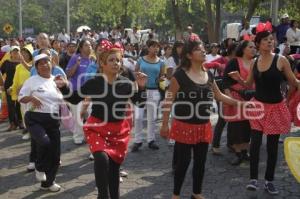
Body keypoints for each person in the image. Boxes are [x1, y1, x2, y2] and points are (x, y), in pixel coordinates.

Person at [160, 41, 248, 199]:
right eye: (198, 50)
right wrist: (164, 125)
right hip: (183, 125)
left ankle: (197, 193)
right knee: (183, 163)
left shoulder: (209, 75)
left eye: (202, 49)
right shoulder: (179, 75)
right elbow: (168, 100)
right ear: (188, 55)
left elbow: (219, 96)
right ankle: (176, 195)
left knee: (201, 163)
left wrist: (240, 103)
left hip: (203, 125)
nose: (203, 51)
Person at [55, 46, 147, 199]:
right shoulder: (94, 82)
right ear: (102, 64)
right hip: (97, 128)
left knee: (114, 169)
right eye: (111, 60)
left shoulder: (126, 83)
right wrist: (64, 87)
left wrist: (142, 87)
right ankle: (102, 195)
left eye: (118, 60)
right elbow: (74, 98)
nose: (115, 63)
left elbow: (141, 103)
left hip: (119, 131)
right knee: (101, 158)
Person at [229, 30, 300, 194]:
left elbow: (294, 81)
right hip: (258, 108)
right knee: (255, 144)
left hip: (276, 108)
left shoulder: (281, 60)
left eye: (271, 40)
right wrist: (238, 78)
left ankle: (269, 180)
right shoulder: (255, 61)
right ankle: (253, 179)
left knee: (272, 147)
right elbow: (248, 85)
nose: (270, 42)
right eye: (266, 40)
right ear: (259, 43)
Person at [19, 53, 63, 192]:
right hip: (35, 118)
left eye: (47, 62)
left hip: (53, 120)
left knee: (55, 155)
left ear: (51, 64)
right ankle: (39, 167)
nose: (45, 65)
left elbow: (65, 98)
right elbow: (21, 97)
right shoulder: (32, 80)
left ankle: (48, 183)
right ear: (37, 68)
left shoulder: (57, 80)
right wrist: (31, 98)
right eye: (41, 63)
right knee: (44, 143)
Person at [222, 40, 256, 165]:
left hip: (251, 98)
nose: (253, 49)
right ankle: (237, 152)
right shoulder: (234, 62)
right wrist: (229, 97)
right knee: (236, 127)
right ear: (243, 49)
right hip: (236, 97)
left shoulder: (256, 62)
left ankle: (245, 151)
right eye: (250, 47)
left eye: (254, 47)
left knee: (249, 125)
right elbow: (225, 80)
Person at [132, 40, 165, 152]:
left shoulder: (161, 62)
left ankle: (151, 140)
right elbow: (134, 73)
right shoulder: (141, 60)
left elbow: (162, 76)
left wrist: (161, 79)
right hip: (141, 91)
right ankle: (137, 140)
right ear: (148, 47)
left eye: (158, 47)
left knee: (152, 118)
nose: (156, 49)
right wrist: (138, 77)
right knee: (138, 117)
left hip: (154, 91)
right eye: (153, 47)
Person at [66, 39, 93, 144]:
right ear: (81, 48)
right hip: (76, 92)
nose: (89, 47)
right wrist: (77, 64)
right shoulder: (75, 58)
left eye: (90, 45)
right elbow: (68, 74)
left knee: (91, 115)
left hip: (90, 93)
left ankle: (89, 135)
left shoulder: (93, 60)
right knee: (78, 116)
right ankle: (78, 137)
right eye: (86, 45)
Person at [0, 46, 22, 131]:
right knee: (11, 105)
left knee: (19, 105)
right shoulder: (6, 62)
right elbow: (1, 72)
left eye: (17, 51)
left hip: (19, 87)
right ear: (10, 53)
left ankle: (20, 122)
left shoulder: (22, 63)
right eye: (14, 51)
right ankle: (12, 123)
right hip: (9, 86)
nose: (15, 53)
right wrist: (1, 84)